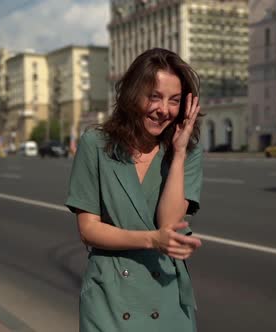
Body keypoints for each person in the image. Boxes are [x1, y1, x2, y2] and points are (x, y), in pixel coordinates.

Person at [65, 48, 204, 332]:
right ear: (132, 94)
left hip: (166, 297)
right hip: (109, 298)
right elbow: (88, 230)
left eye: (174, 101)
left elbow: (169, 224)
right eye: (154, 96)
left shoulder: (187, 151)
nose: (164, 109)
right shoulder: (96, 143)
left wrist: (177, 155)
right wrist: (153, 240)